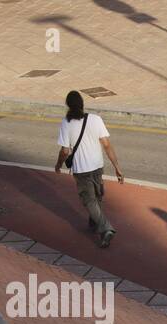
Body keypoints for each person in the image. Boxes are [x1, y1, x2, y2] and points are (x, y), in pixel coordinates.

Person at [55, 91, 124, 249]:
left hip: (81, 169)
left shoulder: (66, 123)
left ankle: (105, 229)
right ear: (82, 104)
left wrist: (58, 165)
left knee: (89, 200)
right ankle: (94, 223)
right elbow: (106, 144)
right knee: (97, 196)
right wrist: (117, 168)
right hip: (97, 165)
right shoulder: (95, 119)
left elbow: (65, 151)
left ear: (68, 105)